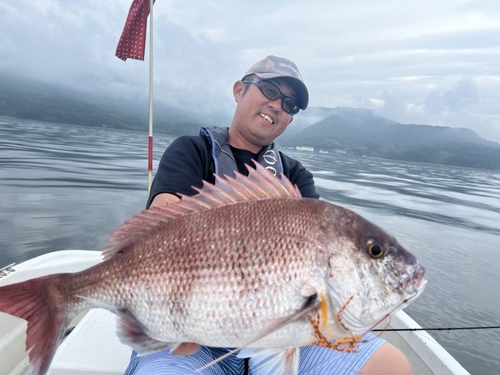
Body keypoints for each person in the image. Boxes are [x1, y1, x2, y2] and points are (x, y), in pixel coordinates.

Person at [124, 55, 411, 375]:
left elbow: (314, 266)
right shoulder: (192, 151)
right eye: (270, 90)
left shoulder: (296, 176)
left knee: (389, 366)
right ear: (239, 90)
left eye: (290, 104)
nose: (278, 105)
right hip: (192, 334)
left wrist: (355, 301)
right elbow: (158, 223)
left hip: (284, 335)